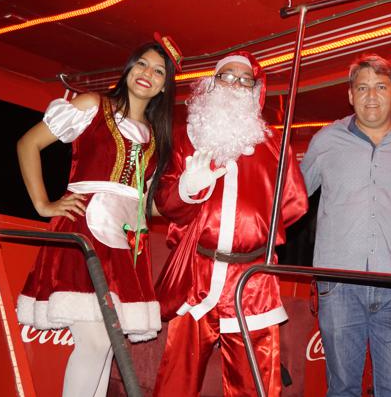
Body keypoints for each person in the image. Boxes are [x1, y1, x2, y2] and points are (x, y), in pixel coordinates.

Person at [16, 33, 180, 397]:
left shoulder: (156, 138)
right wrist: (43, 204)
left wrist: (189, 196)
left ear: (164, 87)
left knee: (108, 347)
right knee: (93, 342)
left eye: (157, 71)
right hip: (83, 232)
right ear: (128, 69)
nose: (147, 74)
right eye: (142, 64)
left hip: (124, 246)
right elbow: (28, 143)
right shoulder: (94, 105)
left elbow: (144, 203)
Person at [152, 51, 308, 397]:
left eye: (244, 80)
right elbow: (164, 202)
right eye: (226, 77)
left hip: (252, 282)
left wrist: (254, 229)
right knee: (176, 382)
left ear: (256, 90)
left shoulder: (273, 146)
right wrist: (186, 190)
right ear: (212, 83)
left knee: (255, 385)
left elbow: (294, 204)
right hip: (197, 275)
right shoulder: (185, 137)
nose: (235, 85)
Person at [301, 53, 391, 396]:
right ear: (350, 95)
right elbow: (290, 197)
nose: (371, 96)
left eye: (380, 86)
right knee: (343, 387)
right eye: (362, 88)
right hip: (339, 282)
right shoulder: (326, 141)